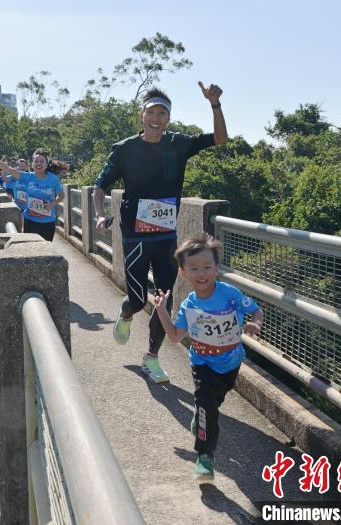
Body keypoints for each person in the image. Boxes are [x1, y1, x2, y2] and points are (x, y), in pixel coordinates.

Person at [93, 81, 228, 384]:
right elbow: (100, 186)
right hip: (135, 236)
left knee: (163, 300)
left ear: (168, 117)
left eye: (162, 113)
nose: (157, 118)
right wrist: (101, 215)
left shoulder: (177, 144)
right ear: (142, 114)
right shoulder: (125, 149)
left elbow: (220, 139)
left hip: (166, 235)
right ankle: (127, 313)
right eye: (151, 111)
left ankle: (151, 357)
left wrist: (215, 105)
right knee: (139, 299)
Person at [154, 233, 263, 479]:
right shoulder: (188, 305)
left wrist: (255, 324)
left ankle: (201, 416)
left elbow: (256, 311)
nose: (201, 273)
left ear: (216, 269)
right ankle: (205, 456)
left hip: (231, 362)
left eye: (206, 267)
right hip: (202, 363)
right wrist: (161, 310)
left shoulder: (229, 294)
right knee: (206, 406)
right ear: (183, 272)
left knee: (214, 403)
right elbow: (173, 336)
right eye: (193, 268)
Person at [0, 148, 67, 241]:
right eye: (36, 161)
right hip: (30, 220)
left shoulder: (53, 179)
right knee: (31, 248)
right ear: (32, 164)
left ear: (46, 165)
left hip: (48, 221)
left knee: (45, 249)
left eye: (42, 161)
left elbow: (61, 195)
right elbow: (7, 168)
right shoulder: (27, 177)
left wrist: (52, 204)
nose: (39, 163)